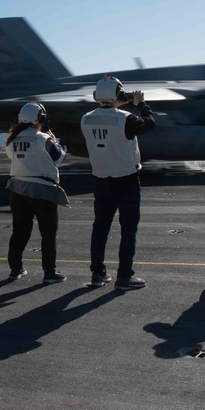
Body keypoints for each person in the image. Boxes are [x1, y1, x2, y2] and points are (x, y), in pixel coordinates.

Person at [80, 76, 155, 291]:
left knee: (100, 228)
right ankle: (124, 277)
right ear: (119, 95)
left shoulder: (85, 119)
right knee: (128, 230)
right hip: (127, 180)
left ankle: (98, 273)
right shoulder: (127, 119)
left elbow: (105, 115)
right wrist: (142, 104)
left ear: (96, 96)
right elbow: (150, 124)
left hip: (101, 180)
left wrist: (115, 103)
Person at [5, 102, 69, 283]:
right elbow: (60, 157)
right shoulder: (43, 139)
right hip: (42, 190)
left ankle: (15, 268)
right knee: (48, 234)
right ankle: (49, 272)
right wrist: (54, 140)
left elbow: (12, 157)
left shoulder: (12, 139)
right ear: (40, 119)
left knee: (20, 231)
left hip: (17, 189)